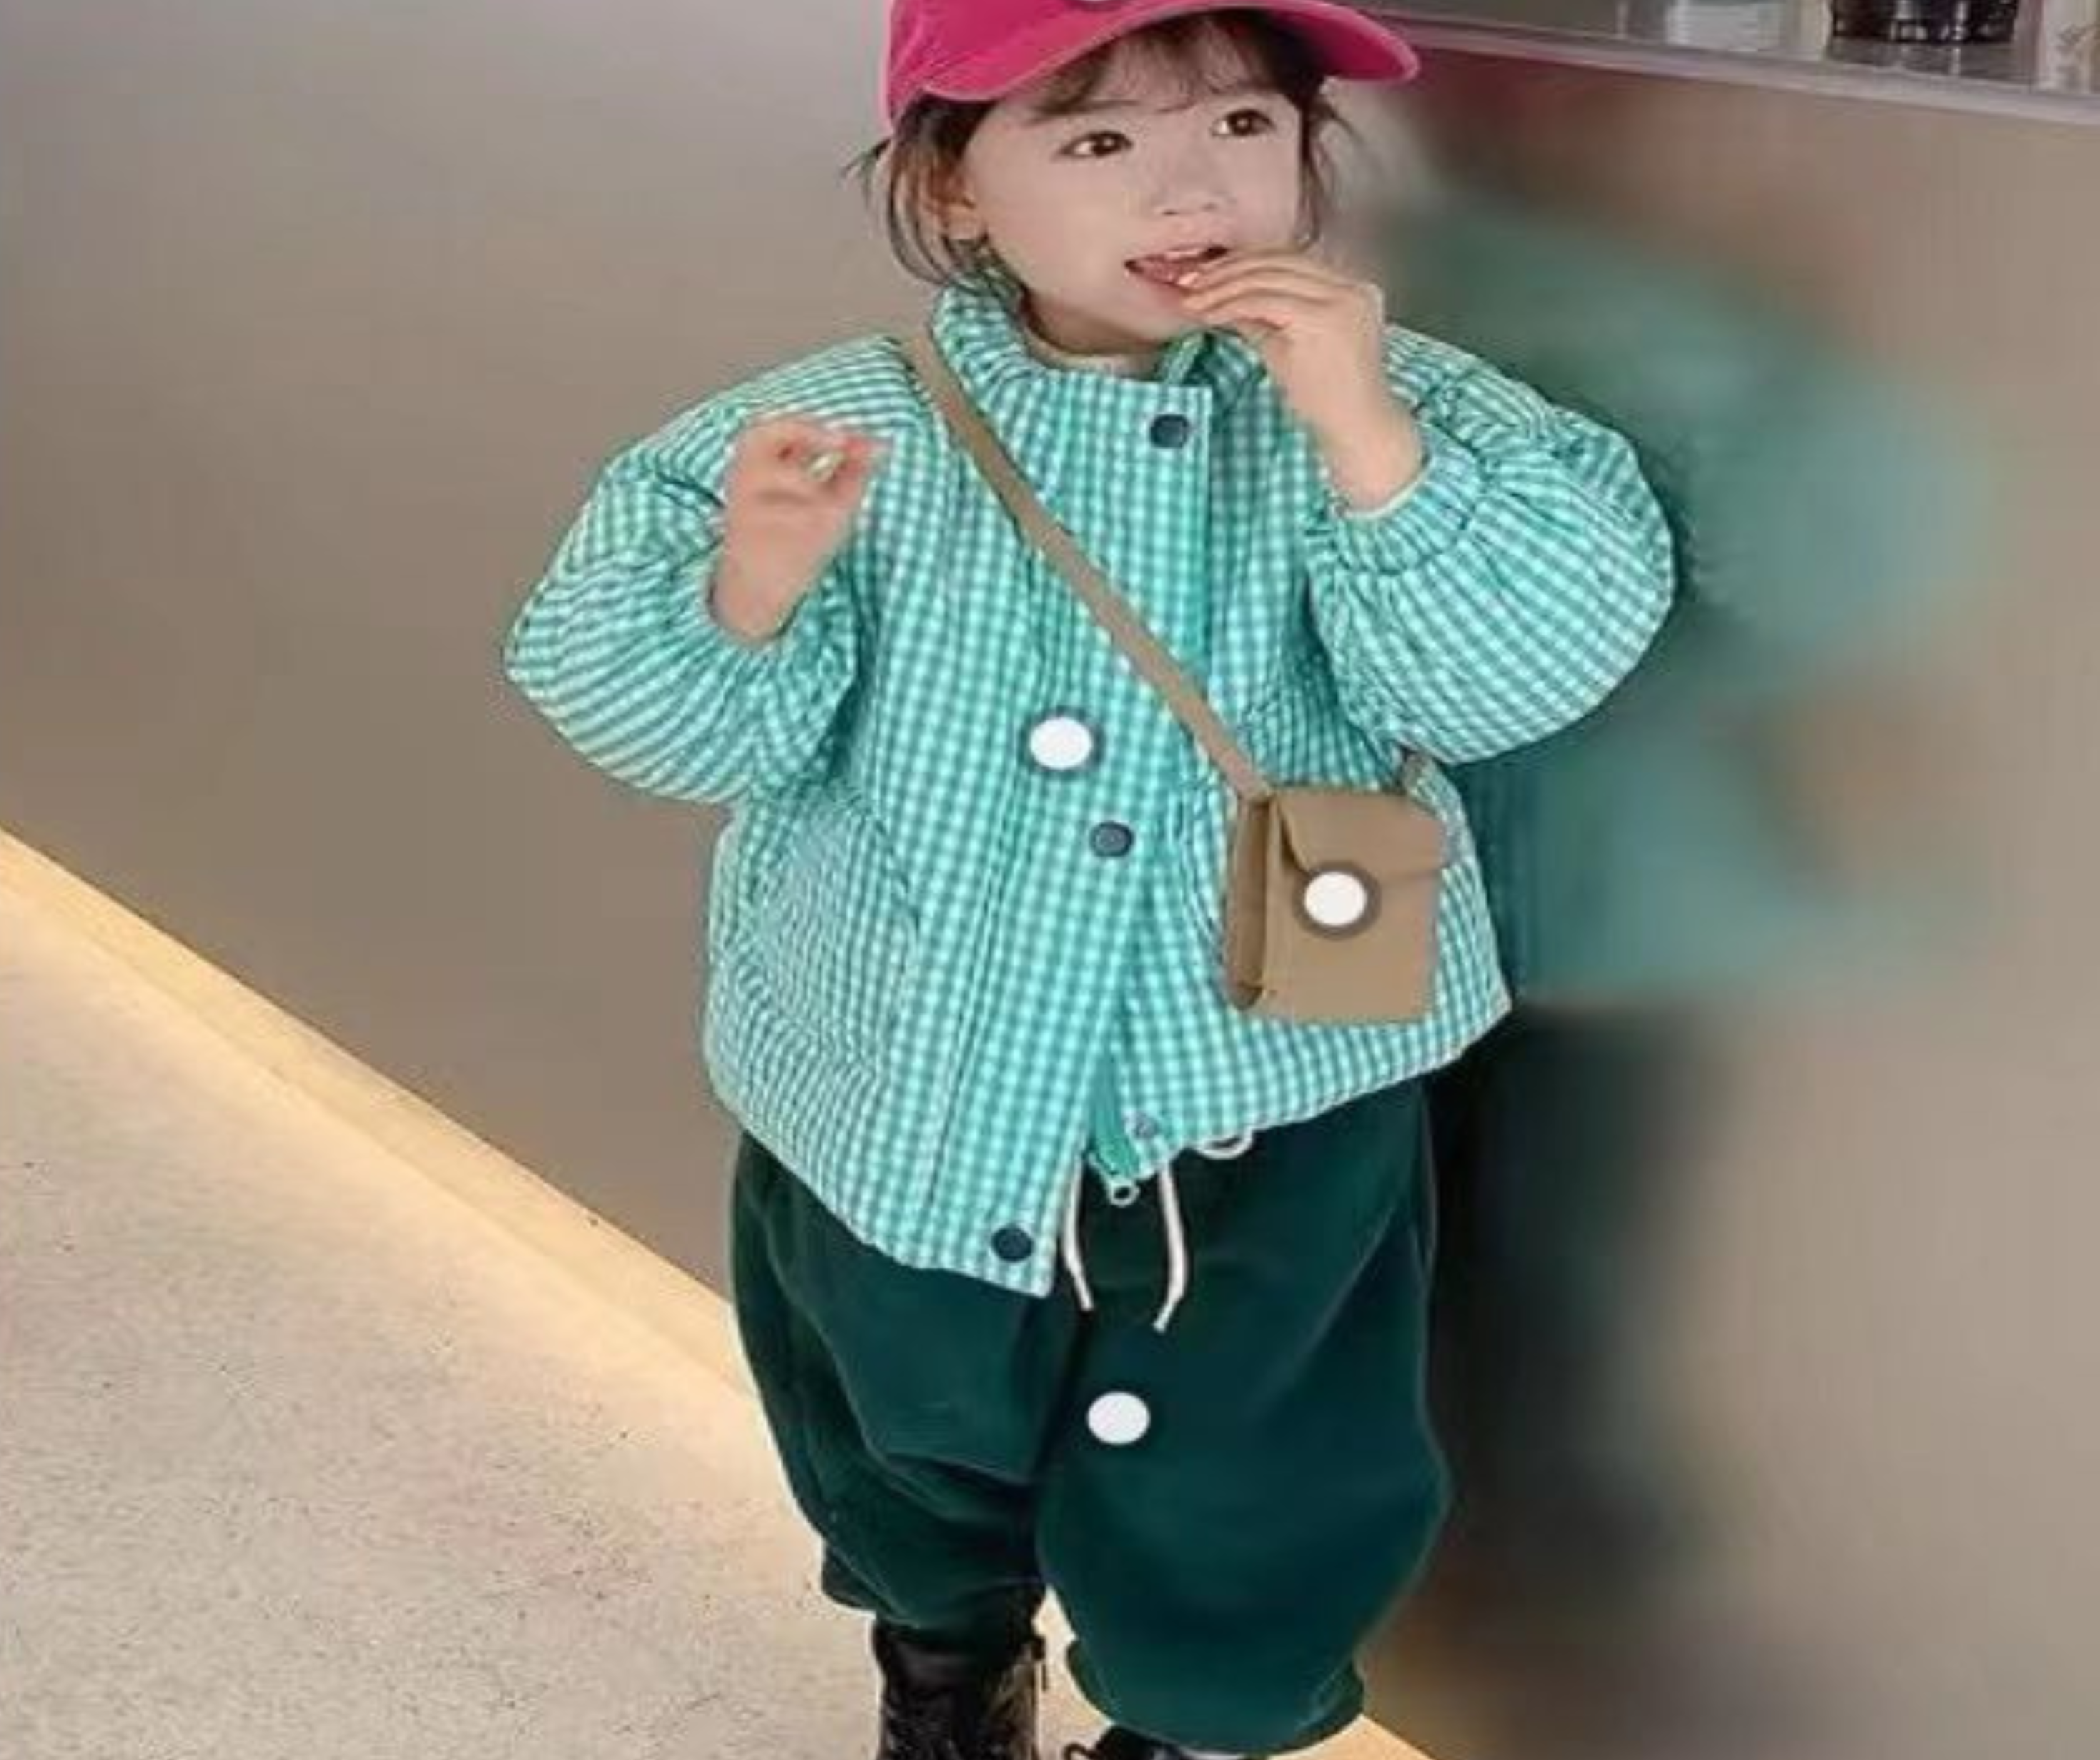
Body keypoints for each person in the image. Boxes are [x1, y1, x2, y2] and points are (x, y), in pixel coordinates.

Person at [500, 5, 1675, 1756]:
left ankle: (1190, 1725)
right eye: (1097, 140)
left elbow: (1514, 678)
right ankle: (944, 1666)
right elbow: (647, 722)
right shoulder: (822, 428)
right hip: (899, 1087)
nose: (1188, 189)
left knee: (1256, 1480)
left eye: (1242, 128)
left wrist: (1367, 443)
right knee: (898, 1429)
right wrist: (750, 586)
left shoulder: (1410, 402)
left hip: (1260, 1097)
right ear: (953, 188)